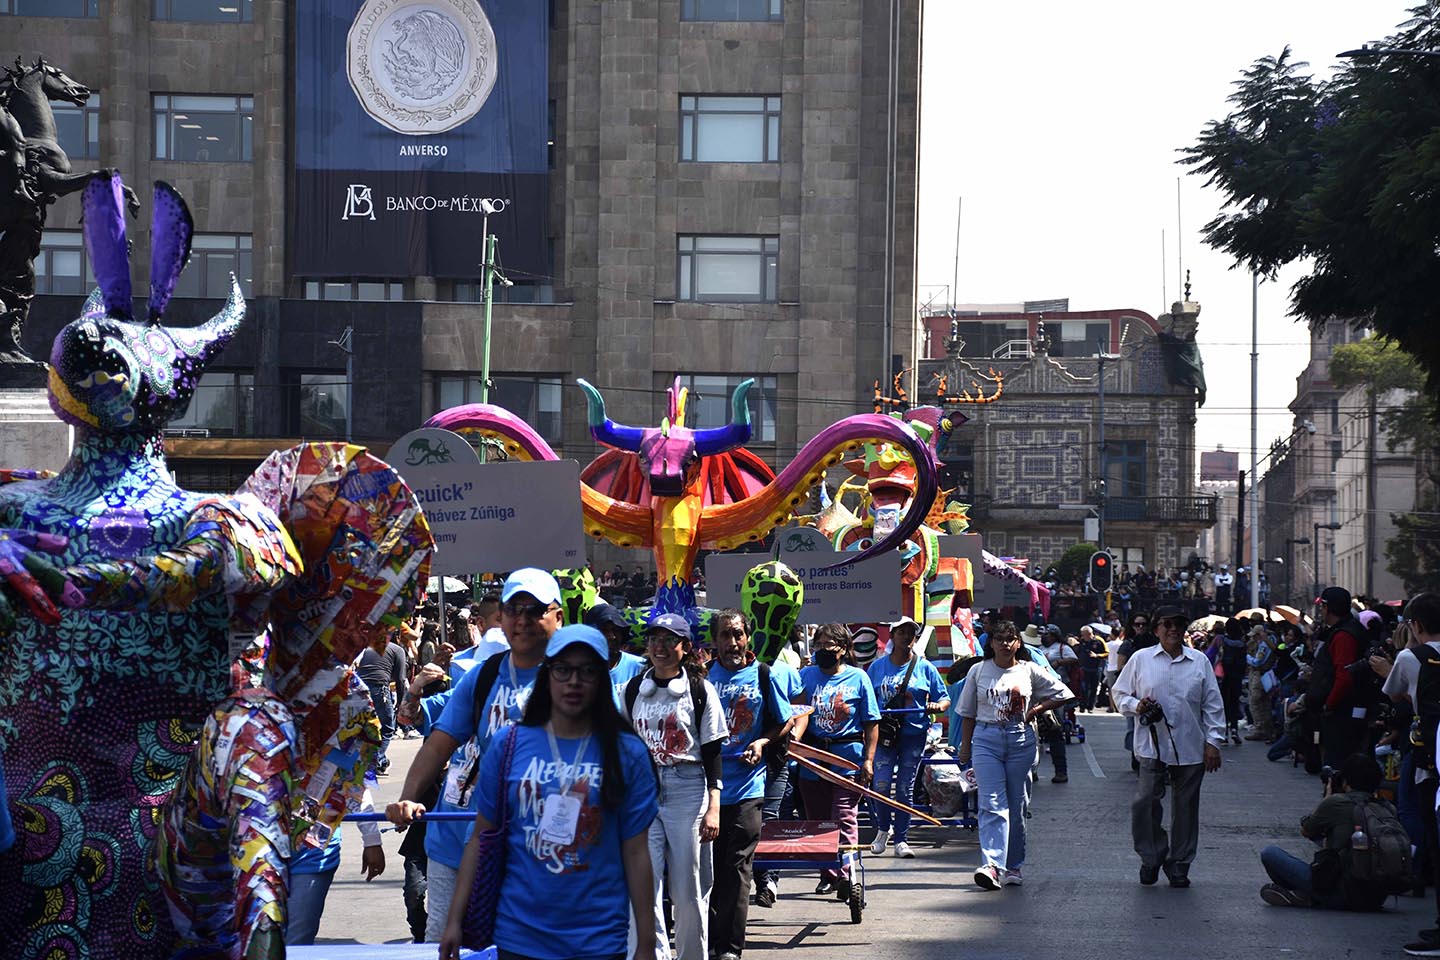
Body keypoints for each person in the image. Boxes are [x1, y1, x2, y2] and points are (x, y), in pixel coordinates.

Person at [438, 625, 660, 960]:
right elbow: (480, 838)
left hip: (598, 940)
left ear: (601, 678)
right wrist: (454, 920)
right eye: (563, 669)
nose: (574, 681)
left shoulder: (627, 752)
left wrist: (646, 942)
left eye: (587, 671)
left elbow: (636, 853)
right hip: (519, 937)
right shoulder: (508, 744)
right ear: (548, 675)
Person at [390, 568, 563, 941]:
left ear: (558, 617)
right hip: (459, 838)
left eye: (534, 610)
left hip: (542, 850)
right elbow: (438, 744)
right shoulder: (483, 677)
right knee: (447, 941)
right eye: (513, 610)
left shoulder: (579, 680)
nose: (522, 620)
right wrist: (407, 797)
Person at [624, 613, 728, 960]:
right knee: (642, 886)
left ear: (686, 648)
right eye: (655, 639)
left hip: (688, 787)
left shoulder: (700, 691)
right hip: (643, 791)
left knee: (688, 888)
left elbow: (713, 752)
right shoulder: (633, 689)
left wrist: (714, 805)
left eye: (670, 640)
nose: (660, 647)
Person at [704, 609, 796, 960]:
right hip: (707, 790)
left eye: (738, 634)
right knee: (709, 869)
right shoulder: (702, 679)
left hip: (748, 788)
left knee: (737, 867)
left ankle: (729, 948)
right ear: (714, 641)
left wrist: (762, 743)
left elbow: (784, 720)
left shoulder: (762, 674)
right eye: (725, 636)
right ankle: (710, 941)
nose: (732, 643)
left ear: (748, 637)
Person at [1112, 605, 1225, 887]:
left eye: (1178, 624)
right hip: (1152, 747)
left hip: (1190, 747)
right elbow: (1119, 693)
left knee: (1186, 809)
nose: (1173, 629)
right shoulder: (1141, 659)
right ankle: (1151, 858)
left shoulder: (1199, 662)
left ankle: (1179, 865)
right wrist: (1135, 705)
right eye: (1166, 624)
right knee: (1145, 803)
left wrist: (1213, 742)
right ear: (1156, 629)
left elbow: (1213, 704)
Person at [956, 620, 1074, 889]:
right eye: (1000, 639)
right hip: (986, 740)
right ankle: (992, 865)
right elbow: (967, 713)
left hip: (1021, 740)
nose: (1006, 644)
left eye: (1011, 639)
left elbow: (1064, 693)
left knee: (1017, 804)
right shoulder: (978, 671)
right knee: (991, 803)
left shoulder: (1029, 670)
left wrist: (1036, 710)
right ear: (992, 644)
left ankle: (1014, 865)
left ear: (1019, 643)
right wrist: (964, 747)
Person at [793, 623, 879, 902]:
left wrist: (868, 760)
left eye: (828, 646)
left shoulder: (858, 678)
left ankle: (847, 873)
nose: (822, 651)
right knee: (817, 820)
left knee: (844, 815)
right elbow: (794, 712)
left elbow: (871, 723)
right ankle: (828, 873)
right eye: (818, 646)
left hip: (847, 758)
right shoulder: (804, 676)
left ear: (842, 650)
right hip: (813, 759)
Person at [1376, 594, 1440, 956]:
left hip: (1426, 752)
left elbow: (1395, 693)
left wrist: (1387, 671)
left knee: (1416, 813)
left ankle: (1416, 869)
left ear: (1414, 625)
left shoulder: (1409, 657)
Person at [1259, 753, 1391, 910]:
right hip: (1377, 897)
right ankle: (1304, 895)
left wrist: (1327, 797)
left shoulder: (1337, 802)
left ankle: (1310, 896)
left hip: (1340, 891)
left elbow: (1306, 830)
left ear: (1346, 781)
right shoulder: (1387, 807)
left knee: (1270, 853)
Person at [865, 616, 949, 858]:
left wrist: (937, 706)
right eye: (901, 632)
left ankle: (902, 839)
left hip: (914, 735)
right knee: (879, 785)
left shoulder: (925, 668)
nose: (906, 637)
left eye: (911, 632)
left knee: (904, 787)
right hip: (883, 735)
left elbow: (944, 698)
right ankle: (883, 829)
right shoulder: (877, 667)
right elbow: (867, 699)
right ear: (892, 636)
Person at [285, 780, 385, 944]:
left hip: (313, 848)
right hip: (256, 847)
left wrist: (371, 839)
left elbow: (355, 778)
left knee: (296, 941)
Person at [1302, 587, 1368, 767]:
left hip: (1341, 713)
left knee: (1336, 763)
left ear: (1327, 608)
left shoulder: (1344, 635)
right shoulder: (1343, 631)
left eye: (1322, 606)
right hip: (1340, 709)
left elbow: (1344, 676)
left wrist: (1328, 704)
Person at [356, 630, 408, 776]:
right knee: (387, 728)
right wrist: (402, 703)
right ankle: (376, 761)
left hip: (358, 688)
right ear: (397, 637)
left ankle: (379, 759)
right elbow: (401, 679)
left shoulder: (367, 647)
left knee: (364, 727)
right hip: (378, 689)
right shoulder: (397, 650)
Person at [1209, 618, 1248, 745]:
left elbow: (1209, 655)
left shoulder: (1221, 640)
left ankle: (1224, 733)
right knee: (1234, 703)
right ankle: (1234, 730)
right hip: (1236, 676)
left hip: (1223, 676)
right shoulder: (1242, 643)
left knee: (1223, 704)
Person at [1245, 623, 1279, 741]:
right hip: (1265, 675)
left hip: (1259, 674)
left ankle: (1260, 729)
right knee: (1264, 702)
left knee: (1255, 702)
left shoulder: (1264, 645)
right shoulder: (1269, 641)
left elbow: (1258, 662)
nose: (1253, 638)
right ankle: (1267, 728)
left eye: (1254, 636)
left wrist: (1247, 658)